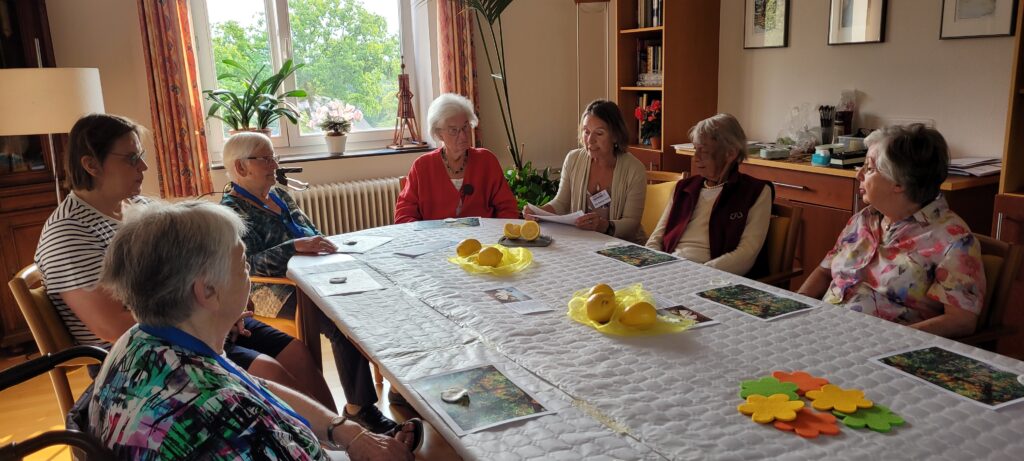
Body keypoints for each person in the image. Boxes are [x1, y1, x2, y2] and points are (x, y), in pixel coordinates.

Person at [33, 114, 334, 410]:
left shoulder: (139, 206)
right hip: (148, 353)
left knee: (297, 354)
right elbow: (112, 327)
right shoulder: (70, 232)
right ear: (91, 164)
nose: (144, 167)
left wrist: (227, 306)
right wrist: (215, 315)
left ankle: (347, 439)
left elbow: (191, 267)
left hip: (198, 323)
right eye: (131, 158)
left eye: (142, 156)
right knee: (268, 370)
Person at [90, 200, 421, 460]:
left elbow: (254, 383)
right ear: (206, 291)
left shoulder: (144, 339)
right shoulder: (227, 419)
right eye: (243, 264)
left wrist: (349, 433)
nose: (248, 274)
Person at [220, 132, 402, 432]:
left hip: (317, 277)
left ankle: (399, 386)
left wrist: (315, 246)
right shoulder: (231, 212)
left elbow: (312, 232)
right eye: (265, 158)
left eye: (273, 156)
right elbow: (246, 264)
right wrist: (293, 248)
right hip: (273, 291)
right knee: (343, 322)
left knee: (377, 297)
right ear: (241, 168)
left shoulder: (280, 196)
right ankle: (359, 407)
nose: (273, 164)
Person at [798, 124, 985, 338]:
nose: (858, 174)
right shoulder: (864, 219)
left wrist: (891, 340)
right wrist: (795, 306)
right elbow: (824, 272)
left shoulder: (954, 240)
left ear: (898, 183)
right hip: (823, 330)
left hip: (881, 348)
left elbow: (961, 321)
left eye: (869, 169)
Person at [645, 113, 772, 276]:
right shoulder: (684, 188)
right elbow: (657, 238)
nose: (695, 159)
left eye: (703, 151)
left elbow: (746, 255)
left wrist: (700, 272)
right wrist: (654, 264)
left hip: (714, 277)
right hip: (670, 269)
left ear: (730, 153)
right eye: (694, 150)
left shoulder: (756, 192)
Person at [527, 99, 647, 243]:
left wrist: (605, 226)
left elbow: (632, 223)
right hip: (584, 243)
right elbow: (561, 203)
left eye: (599, 133)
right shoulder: (573, 159)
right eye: (586, 132)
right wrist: (539, 212)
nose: (590, 140)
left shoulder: (635, 169)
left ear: (615, 135)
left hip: (622, 246)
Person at [394, 93, 519, 223]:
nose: (463, 136)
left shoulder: (486, 161)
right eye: (454, 130)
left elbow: (508, 208)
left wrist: (497, 235)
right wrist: (427, 238)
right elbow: (404, 216)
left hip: (482, 241)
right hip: (438, 241)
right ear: (439, 134)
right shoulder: (422, 167)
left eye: (465, 127)